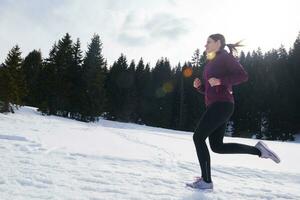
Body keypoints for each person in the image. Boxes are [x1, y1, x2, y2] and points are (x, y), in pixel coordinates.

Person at [186, 34, 281, 190]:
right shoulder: (211, 61)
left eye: (208, 42)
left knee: (198, 137)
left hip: (222, 105)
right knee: (217, 147)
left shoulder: (225, 57)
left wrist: (221, 81)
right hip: (216, 106)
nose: (205, 45)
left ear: (218, 43)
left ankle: (206, 181)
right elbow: (211, 89)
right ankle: (259, 151)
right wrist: (199, 87)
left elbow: (243, 76)